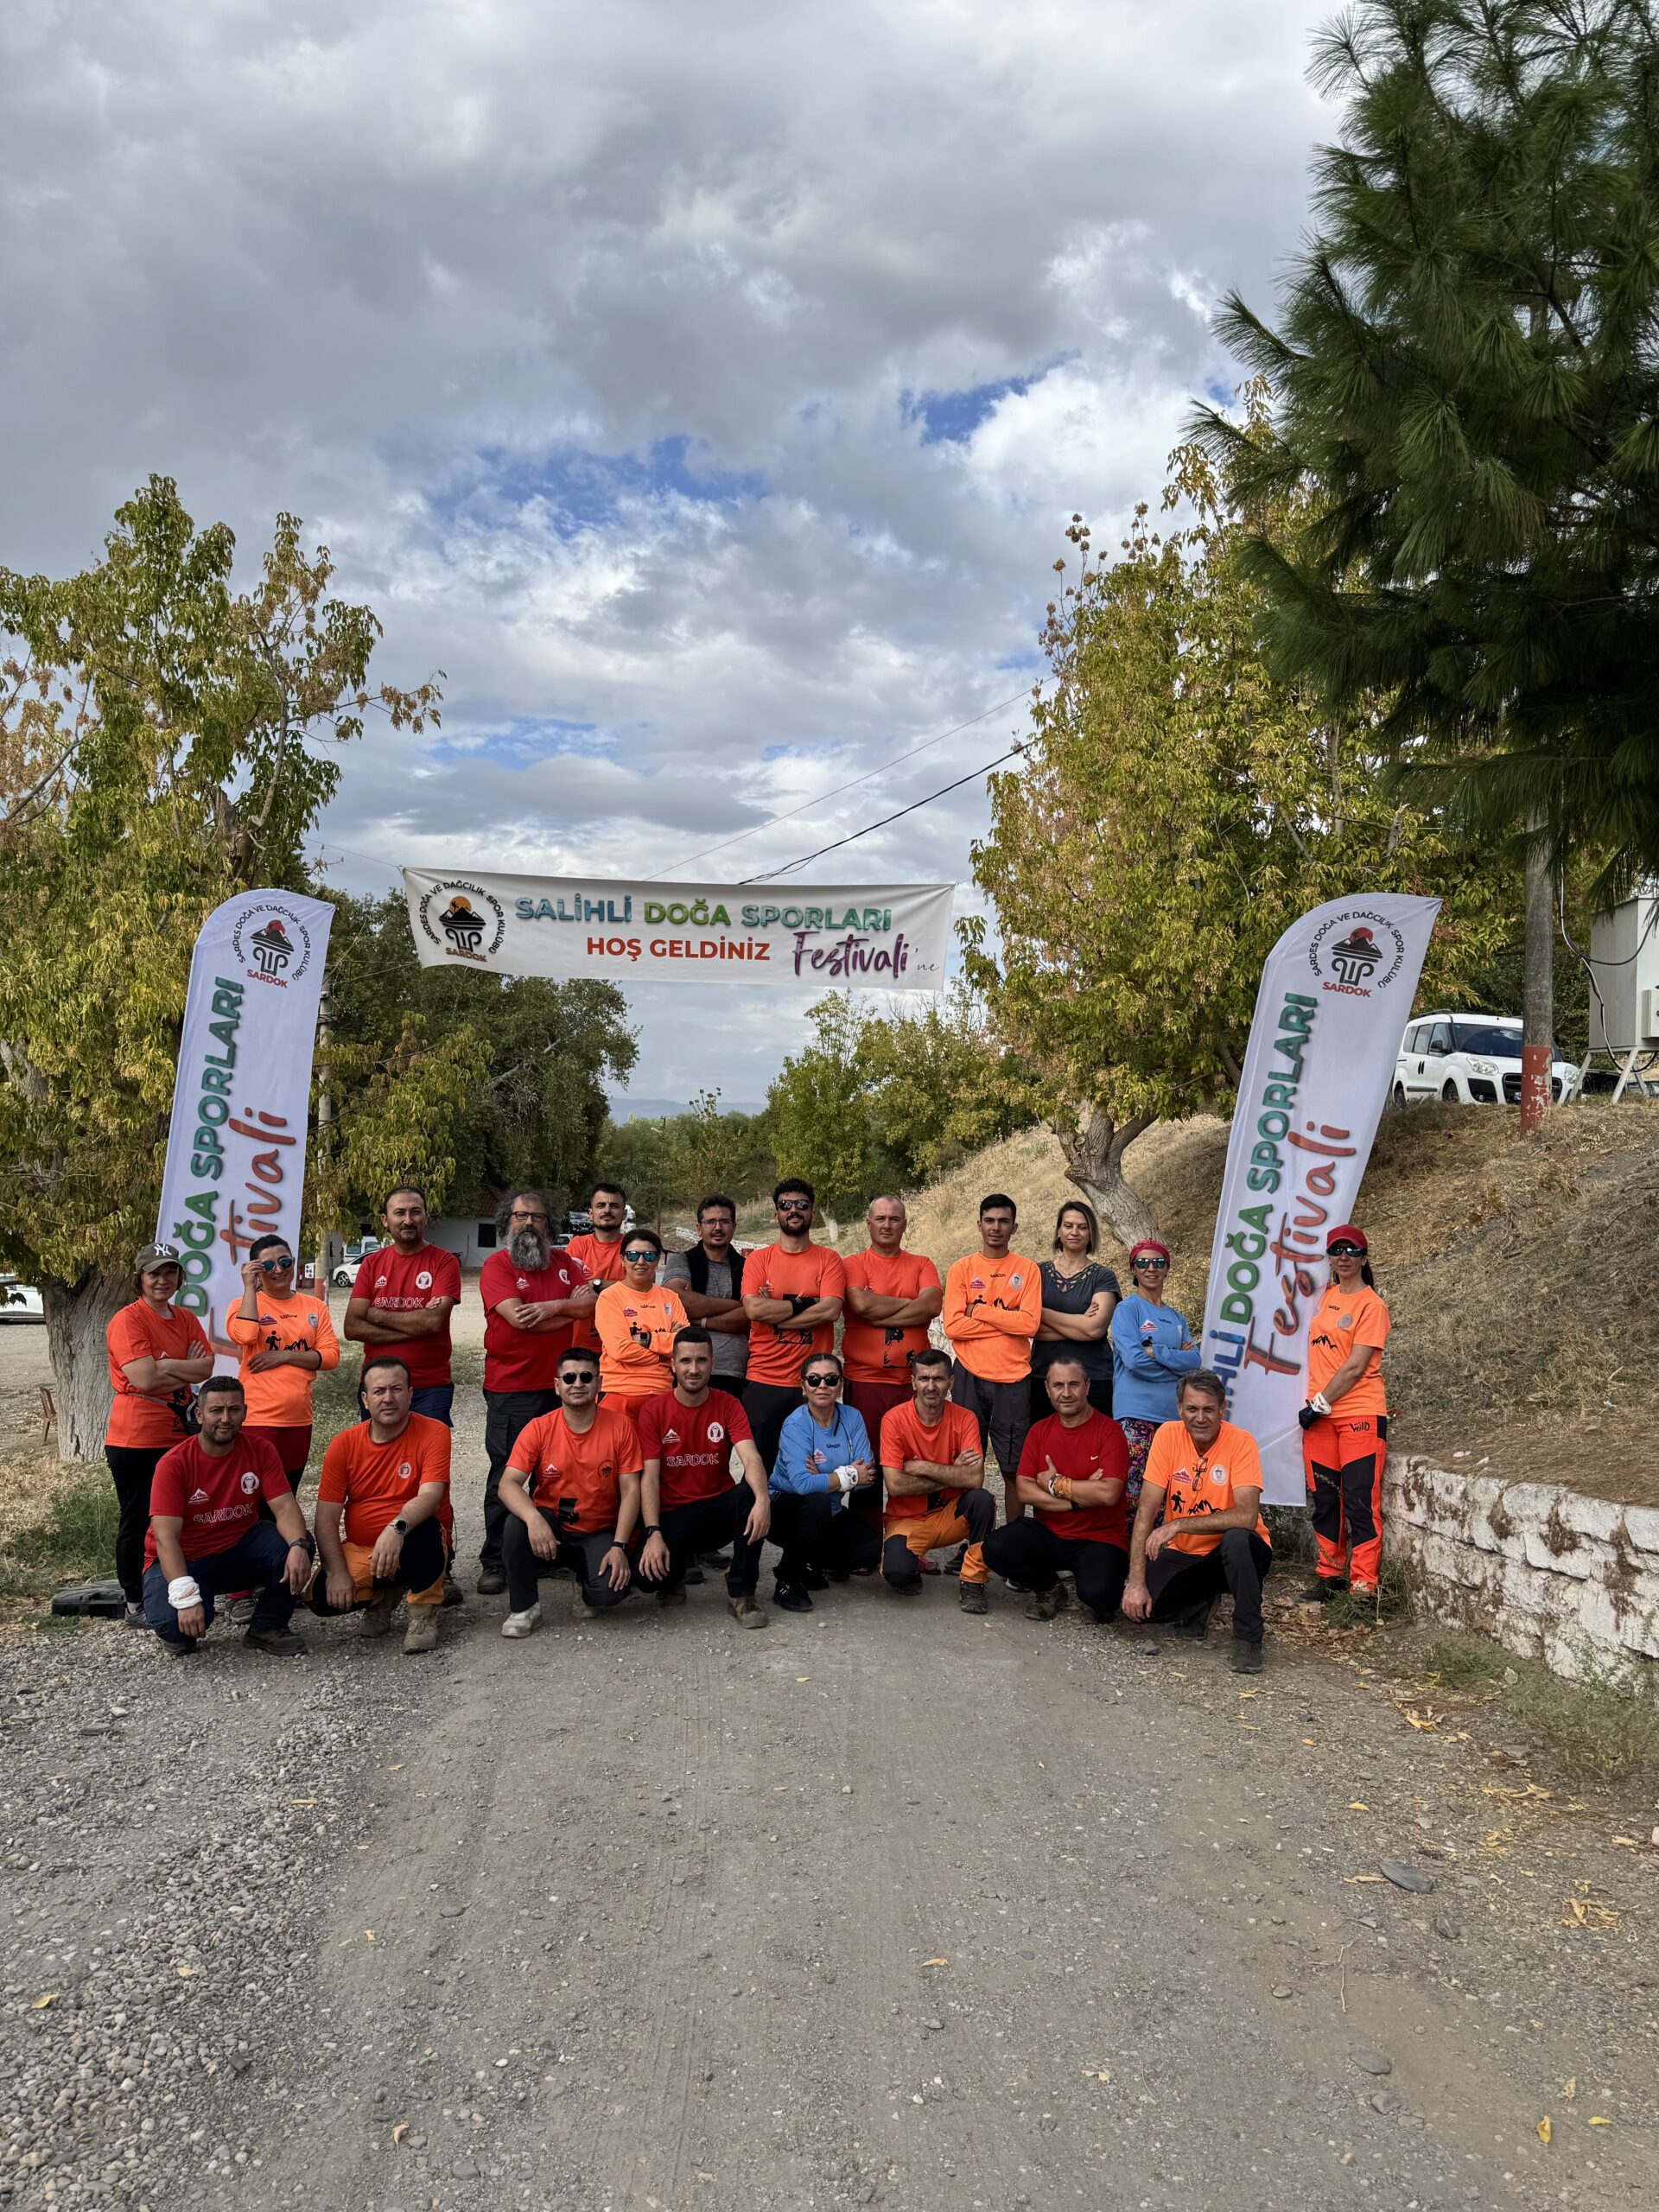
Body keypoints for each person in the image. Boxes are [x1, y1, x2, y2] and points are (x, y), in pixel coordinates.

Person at [476, 1189, 601, 1595]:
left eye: (538, 1217)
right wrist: (566, 1306)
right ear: (507, 1221)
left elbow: (590, 1306)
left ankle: (543, 1556)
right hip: (511, 1388)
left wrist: (550, 1307)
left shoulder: (565, 1263)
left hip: (560, 1389)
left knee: (553, 1475)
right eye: (520, 1216)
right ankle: (496, 1561)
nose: (529, 1223)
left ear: (550, 1224)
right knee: (507, 1474)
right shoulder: (496, 1265)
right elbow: (518, 1318)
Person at [141, 1376, 313, 1656]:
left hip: (235, 1550)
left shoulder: (261, 1450)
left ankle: (267, 1627)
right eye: (216, 1410)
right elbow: (165, 1539)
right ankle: (196, 1598)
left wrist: (298, 1546)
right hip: (185, 1559)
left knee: (298, 1543)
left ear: (245, 1412)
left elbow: (284, 1508)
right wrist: (185, 1596)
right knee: (177, 1631)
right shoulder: (174, 1464)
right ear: (199, 1415)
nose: (225, 1418)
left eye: (234, 1410)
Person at [1122, 1368, 1274, 1674]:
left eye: (1208, 1410)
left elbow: (1246, 1517)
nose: (1200, 1418)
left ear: (1222, 1409)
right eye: (1192, 1409)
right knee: (1140, 1610)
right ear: (1180, 1409)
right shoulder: (1167, 1435)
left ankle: (1248, 1638)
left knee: (1237, 1538)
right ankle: (1201, 1603)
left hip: (1236, 1553)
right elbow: (1145, 1513)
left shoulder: (1242, 1442)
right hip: (1186, 1554)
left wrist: (1178, 1524)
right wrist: (1135, 1582)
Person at [104, 1242, 215, 1629]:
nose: (163, 1280)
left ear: (180, 1278)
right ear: (140, 1278)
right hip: (136, 1437)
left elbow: (206, 1368)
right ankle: (135, 1600)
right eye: (154, 1273)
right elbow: (144, 1378)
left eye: (170, 1272)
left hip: (179, 1435)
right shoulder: (128, 1320)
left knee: (180, 1517)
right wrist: (178, 1367)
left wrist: (166, 1364)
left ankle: (174, 1589)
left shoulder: (185, 1317)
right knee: (139, 1518)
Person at [308, 1355, 452, 1654]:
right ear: (365, 1399)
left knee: (424, 1531)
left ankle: (423, 1613)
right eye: (379, 1391)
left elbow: (430, 1496)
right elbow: (325, 1519)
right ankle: (384, 1597)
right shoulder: (343, 1444)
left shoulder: (434, 1431)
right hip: (365, 1548)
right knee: (321, 1596)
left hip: (413, 1539)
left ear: (410, 1394)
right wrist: (336, 1573)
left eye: (396, 1389)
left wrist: (396, 1528)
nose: (388, 1398)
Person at [496, 1347, 643, 1637]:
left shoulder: (621, 1426)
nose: (578, 1384)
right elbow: (507, 1484)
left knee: (610, 1592)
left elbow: (631, 1490)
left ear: (599, 1383)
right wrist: (534, 1519)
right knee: (516, 1524)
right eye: (569, 1378)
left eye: (586, 1377)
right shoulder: (538, 1428)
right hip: (551, 1529)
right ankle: (525, 1608)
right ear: (557, 1385)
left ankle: (585, 1586)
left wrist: (619, 1546)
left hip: (598, 1530)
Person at [635, 1327, 770, 1626]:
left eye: (701, 1360)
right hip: (672, 1514)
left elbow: (751, 1458)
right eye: (685, 1361)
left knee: (750, 1494)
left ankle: (742, 1594)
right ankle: (674, 1575)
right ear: (673, 1364)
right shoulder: (654, 1411)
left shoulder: (729, 1404)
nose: (693, 1369)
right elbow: (650, 1478)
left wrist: (763, 1499)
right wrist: (653, 1532)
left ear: (712, 1364)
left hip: (715, 1510)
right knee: (644, 1579)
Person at [982, 1354, 1130, 1624]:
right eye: (1058, 1385)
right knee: (995, 1548)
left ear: (1087, 1386)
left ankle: (1093, 1586)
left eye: (1073, 1384)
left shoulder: (1110, 1432)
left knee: (1101, 1598)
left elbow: (1109, 1494)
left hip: (1100, 1537)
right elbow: (1024, 1490)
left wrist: (1054, 1484)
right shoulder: (1039, 1431)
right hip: (1049, 1532)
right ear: (1047, 1390)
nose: (1066, 1393)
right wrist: (1079, 1499)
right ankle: (1049, 1588)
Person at [1300, 1224, 1391, 1604]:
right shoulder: (1323, 1297)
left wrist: (1319, 1403)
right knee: (1325, 1498)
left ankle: (1364, 1585)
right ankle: (1330, 1575)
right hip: (1319, 1419)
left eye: (1352, 1251)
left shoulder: (1372, 1306)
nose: (1344, 1257)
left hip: (1358, 1414)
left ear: (1364, 1258)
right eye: (1336, 1250)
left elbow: (1355, 1367)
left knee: (1358, 1500)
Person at [942, 1194, 1042, 1524]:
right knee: (968, 1463)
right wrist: (1007, 1321)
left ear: (1014, 1227)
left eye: (1003, 1221)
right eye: (989, 1220)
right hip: (969, 1375)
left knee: (1014, 1468)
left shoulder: (1027, 1270)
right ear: (979, 1225)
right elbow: (953, 1326)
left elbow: (1029, 1324)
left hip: (1012, 1379)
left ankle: (1013, 1537)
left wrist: (980, 1310)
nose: (996, 1227)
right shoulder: (961, 1269)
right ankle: (971, 1538)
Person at [842, 1194, 944, 1510]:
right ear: (868, 1223)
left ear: (905, 1225)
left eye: (894, 1219)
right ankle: (866, 1537)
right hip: (866, 1381)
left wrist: (880, 1313)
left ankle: (912, 1533)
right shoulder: (853, 1264)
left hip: (913, 1383)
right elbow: (860, 1304)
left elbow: (932, 1304)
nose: (887, 1225)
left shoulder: (921, 1264)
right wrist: (912, 1305)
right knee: (868, 1463)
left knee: (915, 1460)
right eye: (881, 1218)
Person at [741, 1179, 847, 1473]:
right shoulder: (759, 1260)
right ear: (776, 1212)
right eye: (785, 1205)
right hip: (765, 1378)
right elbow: (753, 1309)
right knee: (760, 1470)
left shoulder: (828, 1259)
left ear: (812, 1211)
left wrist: (775, 1315)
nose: (793, 1210)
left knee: (812, 1469)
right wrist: (806, 1304)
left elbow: (831, 1310)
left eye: (802, 1205)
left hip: (815, 1383)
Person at [877, 1347, 993, 1613]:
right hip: (907, 1520)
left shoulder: (965, 1418)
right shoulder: (894, 1420)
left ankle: (973, 1581)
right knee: (897, 1573)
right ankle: (913, 1563)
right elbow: (895, 1485)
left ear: (950, 1382)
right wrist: (954, 1473)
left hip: (951, 1514)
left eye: (938, 1379)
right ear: (913, 1382)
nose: (931, 1386)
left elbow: (975, 1479)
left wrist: (922, 1467)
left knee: (982, 1501)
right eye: (924, 1379)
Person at [224, 1234, 340, 1491]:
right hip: (258, 1418)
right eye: (267, 1265)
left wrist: (284, 1356)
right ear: (256, 1270)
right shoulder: (241, 1305)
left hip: (299, 1418)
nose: (278, 1270)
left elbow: (331, 1357)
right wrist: (249, 1289)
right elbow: (246, 1335)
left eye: (285, 1262)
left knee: (289, 1490)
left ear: (293, 1262)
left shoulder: (315, 1306)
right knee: (258, 1494)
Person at [766, 1353, 880, 1611]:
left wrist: (823, 1476)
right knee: (816, 1502)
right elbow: (802, 1485)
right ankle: (787, 1581)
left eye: (830, 1379)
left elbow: (868, 1477)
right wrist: (848, 1474)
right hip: (784, 1510)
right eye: (814, 1379)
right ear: (803, 1386)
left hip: (829, 1509)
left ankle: (809, 1563)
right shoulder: (795, 1425)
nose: (822, 1386)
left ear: (841, 1385)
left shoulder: (852, 1417)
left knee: (870, 1550)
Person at [343, 1186, 463, 1424]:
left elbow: (433, 1321)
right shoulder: (371, 1264)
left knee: (428, 1449)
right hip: (377, 1385)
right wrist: (416, 1326)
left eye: (415, 1212)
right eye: (400, 1213)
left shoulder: (444, 1262)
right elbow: (352, 1328)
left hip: (429, 1386)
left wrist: (377, 1315)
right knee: (378, 1449)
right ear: (385, 1220)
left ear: (426, 1217)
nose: (408, 1220)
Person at [1109, 1239, 1201, 1527]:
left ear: (1167, 1268)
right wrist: (1175, 1367)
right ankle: (1131, 1552)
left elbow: (1195, 1360)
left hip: (1172, 1418)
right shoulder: (1127, 1310)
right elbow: (1134, 1361)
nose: (1151, 1268)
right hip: (1135, 1413)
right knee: (1134, 1494)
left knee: (1171, 1490)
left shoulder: (1176, 1317)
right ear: (1133, 1269)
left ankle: (1161, 1551)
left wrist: (1157, 1351)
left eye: (1158, 1262)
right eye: (1143, 1263)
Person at [1031, 1202, 1119, 1427]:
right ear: (1058, 1231)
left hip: (1094, 1377)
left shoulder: (1103, 1277)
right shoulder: (1036, 1273)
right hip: (1043, 1376)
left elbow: (1095, 1329)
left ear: (1091, 1234)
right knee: (1045, 1443)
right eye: (1068, 1225)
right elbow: (1028, 1326)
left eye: (1082, 1227)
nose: (1075, 1232)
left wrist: (1040, 1313)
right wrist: (1079, 1324)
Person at [661, 1195, 751, 1395]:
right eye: (710, 1221)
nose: (717, 1227)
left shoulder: (747, 1267)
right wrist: (737, 1305)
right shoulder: (682, 1260)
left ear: (734, 1226)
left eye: (724, 1221)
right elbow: (676, 1300)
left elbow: (750, 1317)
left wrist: (698, 1320)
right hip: (686, 1369)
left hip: (733, 1371)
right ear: (698, 1228)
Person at [594, 1229, 689, 1402]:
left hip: (662, 1391)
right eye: (632, 1255)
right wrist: (662, 1354)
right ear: (622, 1260)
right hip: (617, 1391)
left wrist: (646, 1340)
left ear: (657, 1261)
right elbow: (620, 1350)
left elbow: (684, 1346)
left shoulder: (671, 1298)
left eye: (649, 1256)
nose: (640, 1261)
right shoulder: (609, 1297)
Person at [565, 1181, 631, 1350]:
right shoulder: (577, 1245)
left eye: (614, 1206)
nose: (607, 1210)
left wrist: (597, 1283)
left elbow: (642, 1290)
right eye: (601, 1205)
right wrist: (621, 1287)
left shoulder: (633, 1247)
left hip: (623, 1345)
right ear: (590, 1213)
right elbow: (570, 1290)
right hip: (581, 1346)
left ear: (624, 1214)